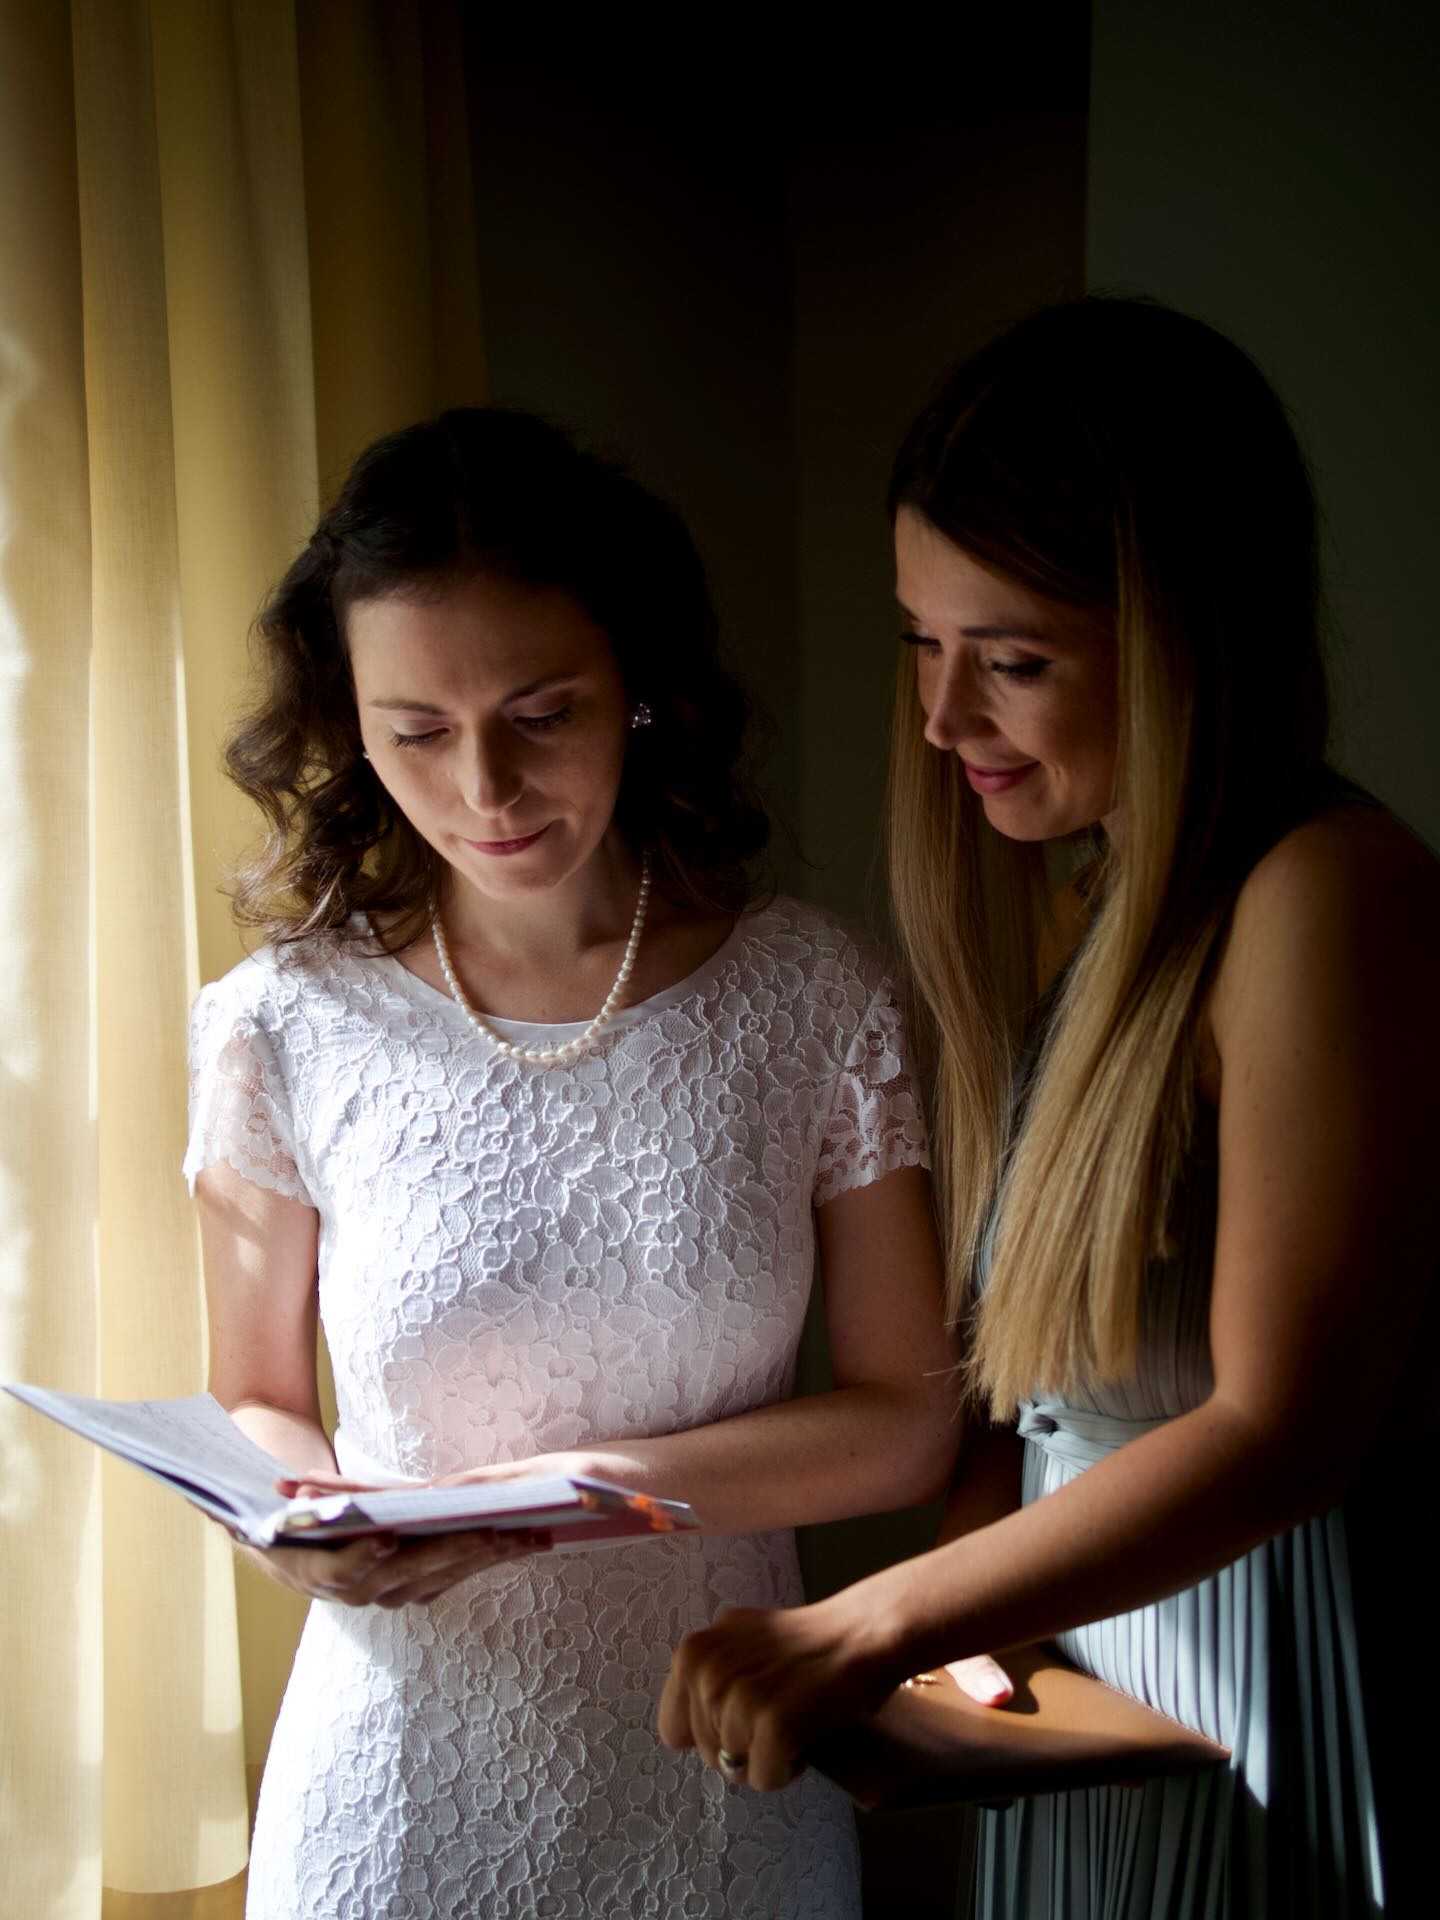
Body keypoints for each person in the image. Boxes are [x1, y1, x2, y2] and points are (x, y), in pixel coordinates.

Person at [658, 297, 1437, 1917]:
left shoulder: (1326, 894)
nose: (944, 718)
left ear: (1190, 638)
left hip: (1261, 1685)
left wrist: (881, 1617)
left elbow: (1283, 1429)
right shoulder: (1092, 908)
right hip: (1085, 1679)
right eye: (921, 645)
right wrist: (965, 1622)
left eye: (1012, 660)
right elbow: (1036, 1399)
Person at [184, 408, 959, 1919]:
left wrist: (595, 1486)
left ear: (638, 687)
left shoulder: (814, 999)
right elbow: (253, 1396)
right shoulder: (279, 1023)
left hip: (721, 1785)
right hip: (395, 1791)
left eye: (542, 714)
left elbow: (906, 1422)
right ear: (352, 724)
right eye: (418, 731)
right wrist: (302, 1522)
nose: (486, 787)